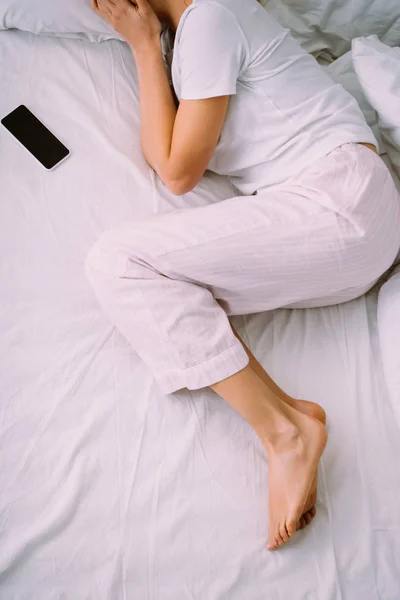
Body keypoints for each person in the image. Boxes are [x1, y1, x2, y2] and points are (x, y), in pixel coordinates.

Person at [87, 0, 400, 550]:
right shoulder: (184, 41)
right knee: (159, 284)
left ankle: (283, 435)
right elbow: (166, 159)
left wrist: (139, 45)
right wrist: (146, 43)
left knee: (121, 262)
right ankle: (290, 420)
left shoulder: (211, 15)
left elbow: (179, 171)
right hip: (339, 238)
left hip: (339, 200)